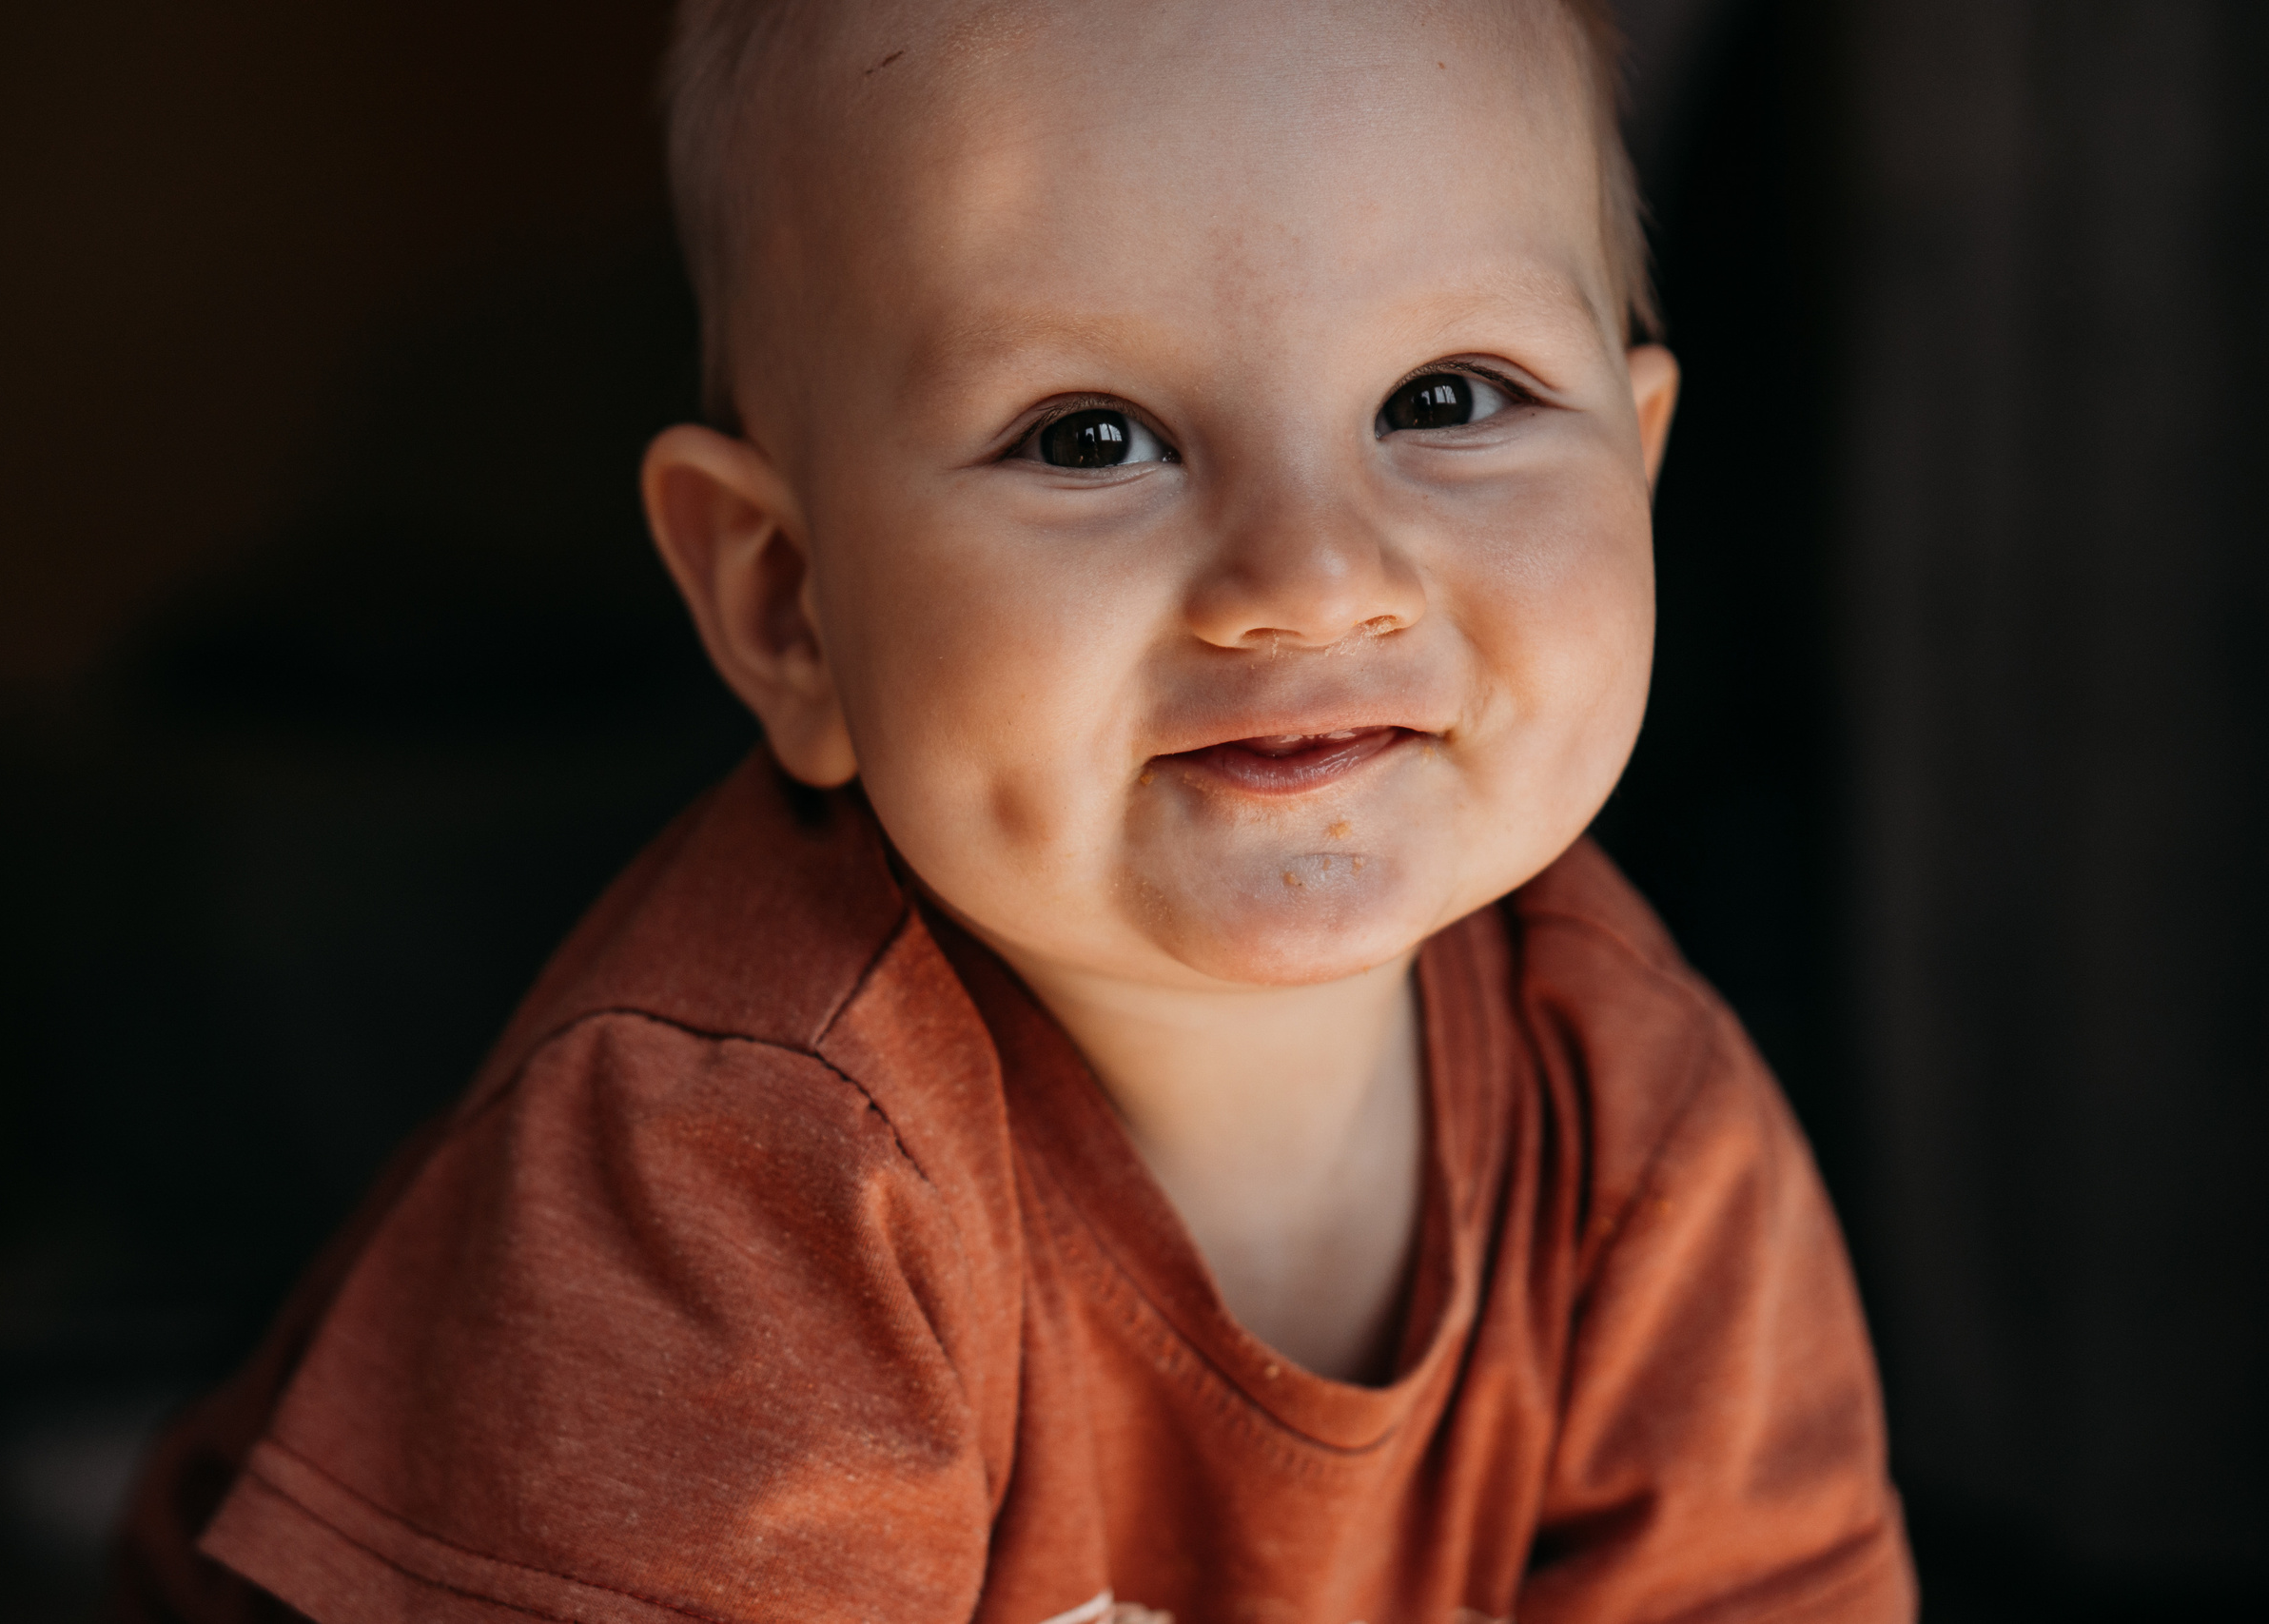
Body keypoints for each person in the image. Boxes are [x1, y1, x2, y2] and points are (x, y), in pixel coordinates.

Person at [113, 1, 1914, 1619]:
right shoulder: (740, 1168)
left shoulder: (1639, 1115)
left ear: (1644, 470)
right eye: (1091, 437)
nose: (1310, 577)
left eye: (1449, 400)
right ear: (786, 607)